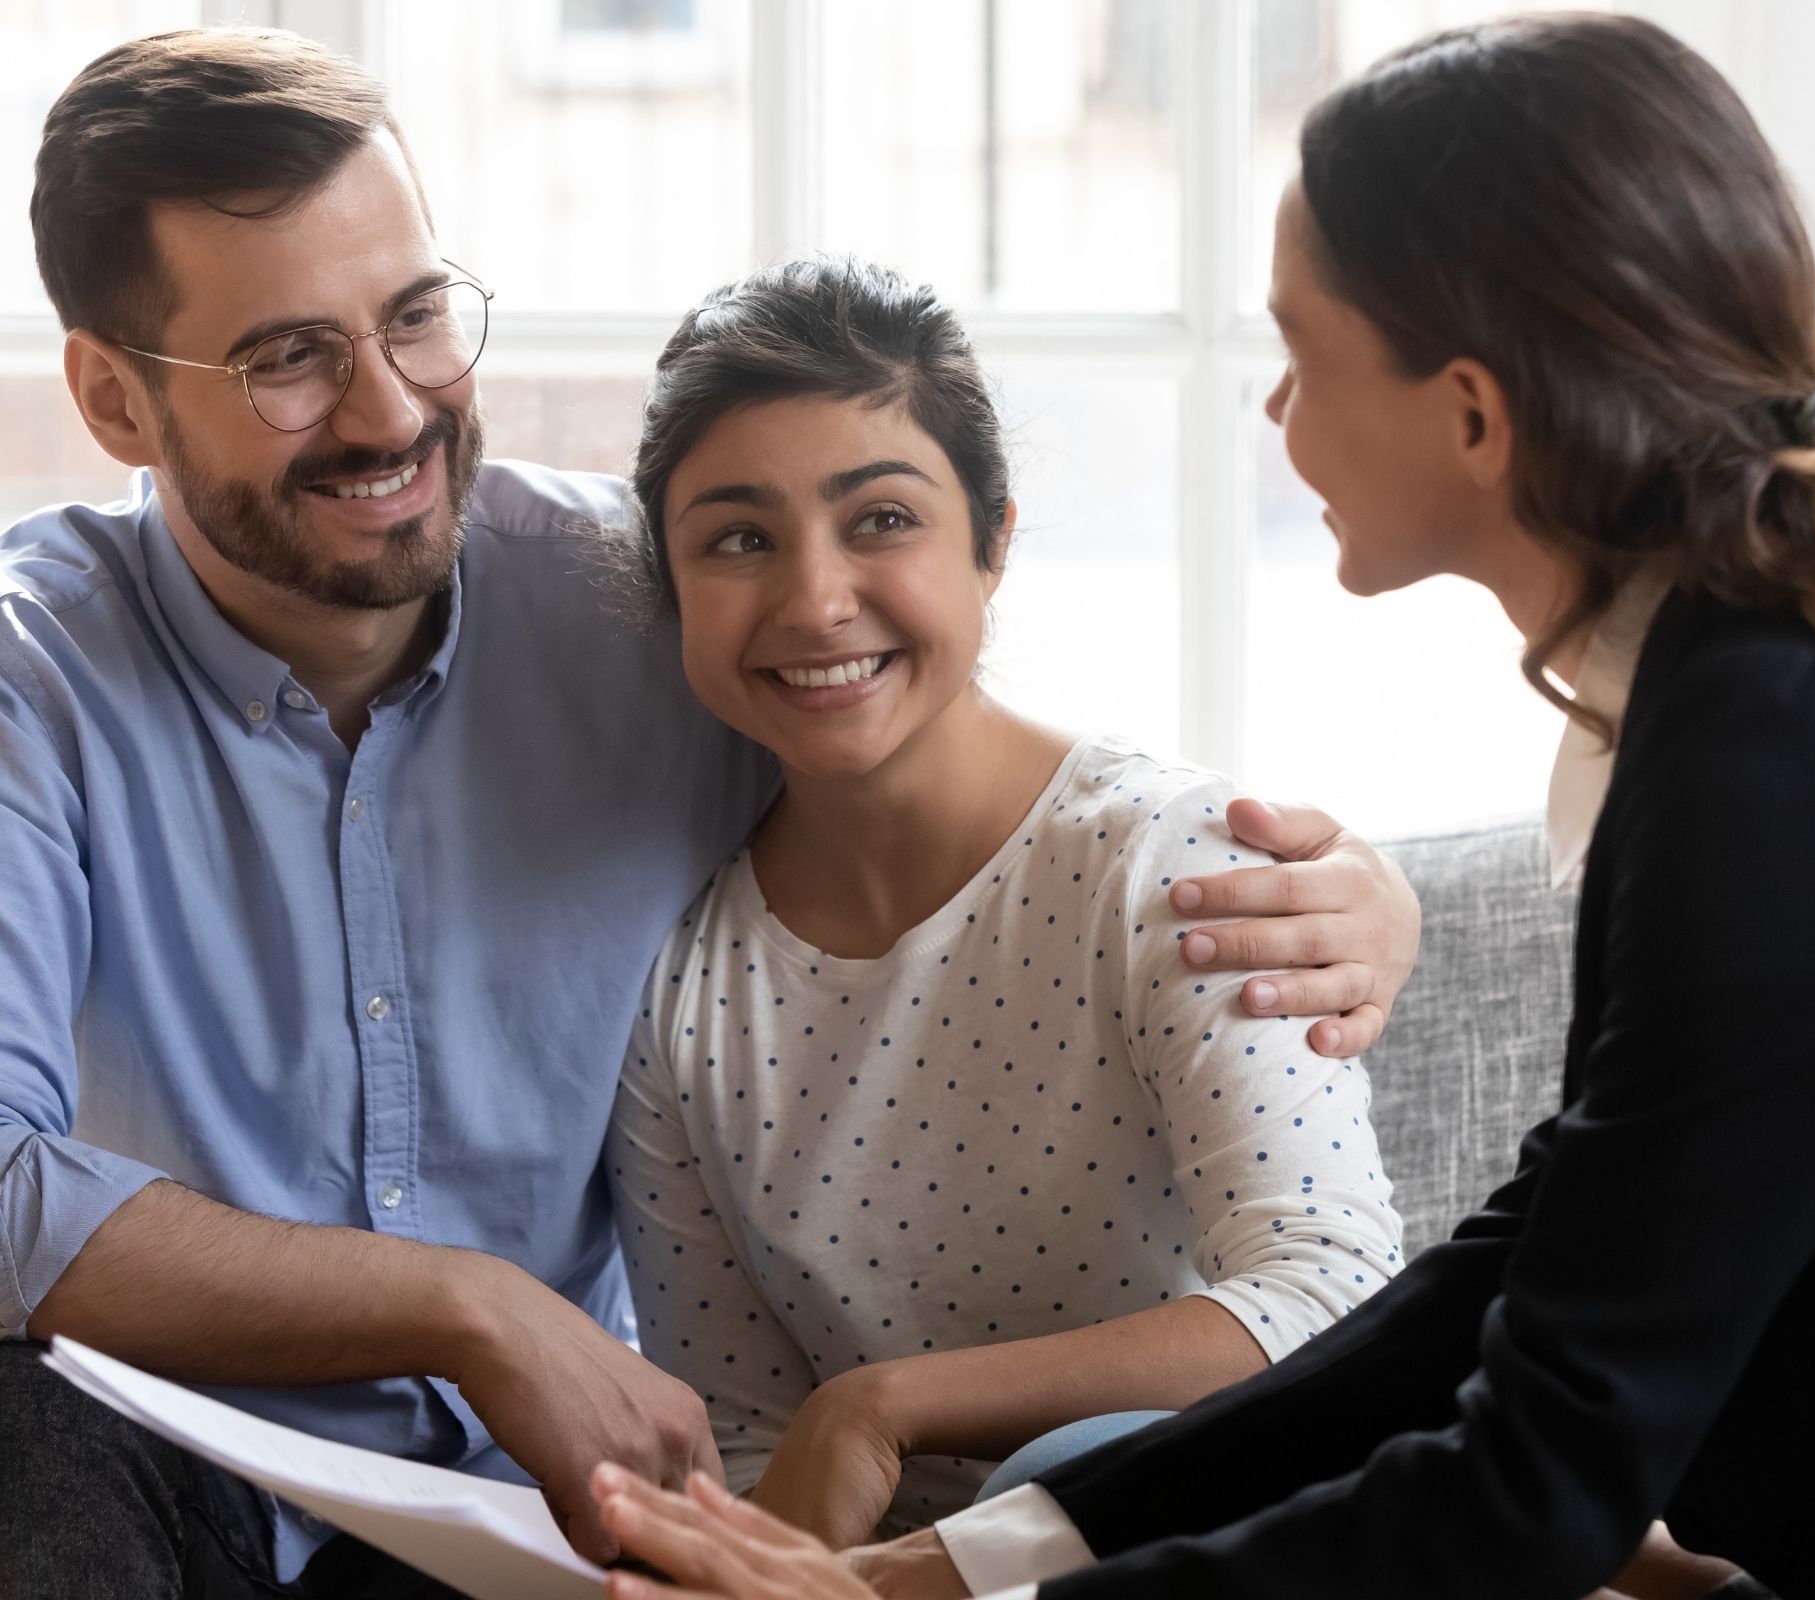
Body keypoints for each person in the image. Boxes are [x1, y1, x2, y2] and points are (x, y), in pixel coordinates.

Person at [588, 13, 1815, 1600]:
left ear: (1471, 412)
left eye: (1303, 354)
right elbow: (1519, 1273)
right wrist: (944, 1572)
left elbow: (1540, 1478)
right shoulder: (1750, 684)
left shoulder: (1774, 743)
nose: (1272, 413)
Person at [0, 26, 1423, 1599]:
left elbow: (936, 725)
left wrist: (1358, 883)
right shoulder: (30, 682)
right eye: (286, 357)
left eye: (416, 318)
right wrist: (465, 1304)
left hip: (529, 1513)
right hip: (161, 1463)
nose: (390, 412)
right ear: (114, 402)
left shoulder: (656, 605)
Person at [606, 260, 1406, 1551]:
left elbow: (1333, 1298)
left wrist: (885, 1408)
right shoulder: (682, 993)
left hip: (1208, 1545)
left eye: (880, 521)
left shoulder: (1166, 865)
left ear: (993, 546)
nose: (815, 600)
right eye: (738, 539)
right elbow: (748, 1440)